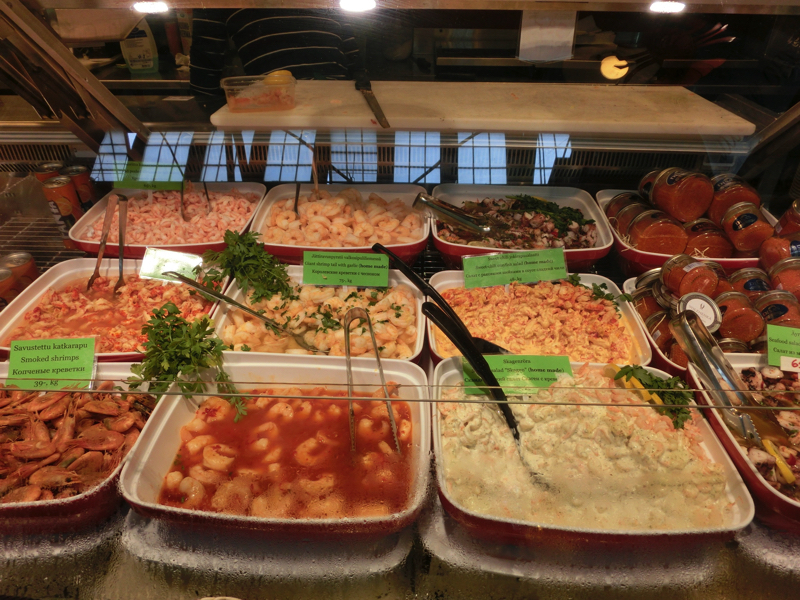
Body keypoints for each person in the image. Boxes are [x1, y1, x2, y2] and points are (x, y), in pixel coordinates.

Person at [190, 8, 362, 96]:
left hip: (340, 101)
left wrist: (362, 83)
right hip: (273, 107)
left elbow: (352, 55)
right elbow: (204, 66)